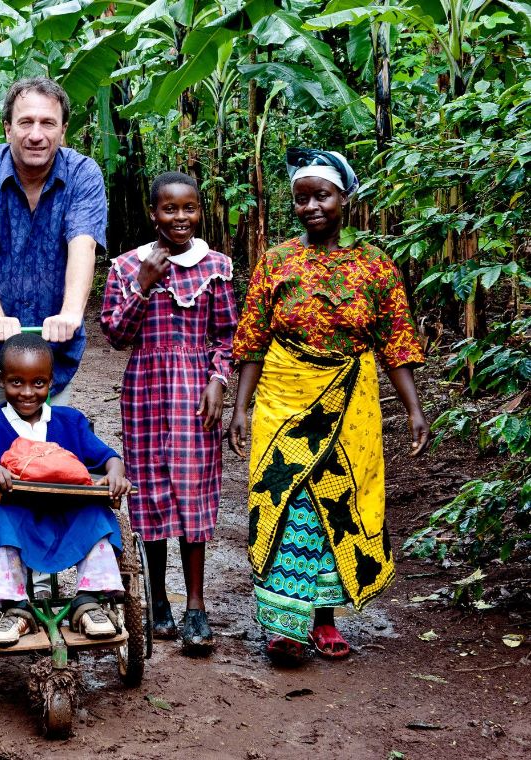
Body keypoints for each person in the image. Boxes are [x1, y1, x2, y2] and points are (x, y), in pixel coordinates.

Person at [228, 148, 431, 663]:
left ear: (345, 197)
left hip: (351, 399)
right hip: (283, 395)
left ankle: (324, 620)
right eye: (301, 199)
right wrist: (241, 408)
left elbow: (396, 343)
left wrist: (414, 409)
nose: (311, 206)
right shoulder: (276, 262)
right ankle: (282, 626)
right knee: (285, 502)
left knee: (337, 504)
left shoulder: (374, 265)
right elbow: (252, 339)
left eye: (322, 195)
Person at [100, 171, 237, 654]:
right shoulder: (126, 266)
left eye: (189, 209)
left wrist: (219, 381)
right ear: (152, 213)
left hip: (196, 390)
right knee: (152, 491)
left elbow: (227, 337)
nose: (180, 218)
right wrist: (143, 284)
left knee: (194, 490)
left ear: (199, 210)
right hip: (145, 389)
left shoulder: (216, 266)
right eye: (169, 210)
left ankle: (195, 607)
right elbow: (115, 335)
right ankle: (158, 600)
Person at [0, 333, 131, 647]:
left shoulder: (70, 421)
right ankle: (15, 609)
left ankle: (88, 602)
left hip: (68, 516)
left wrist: (115, 474)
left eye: (39, 383)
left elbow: (109, 457)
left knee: (98, 515)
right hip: (19, 518)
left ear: (51, 382)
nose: (27, 393)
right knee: (2, 513)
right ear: (1, 379)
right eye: (16, 383)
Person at [0, 77, 107, 418]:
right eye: (25, 122)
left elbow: (83, 244)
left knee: (46, 457)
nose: (36, 134)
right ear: (7, 128)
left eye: (48, 123)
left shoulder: (83, 175)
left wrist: (71, 313)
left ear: (63, 131)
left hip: (54, 349)